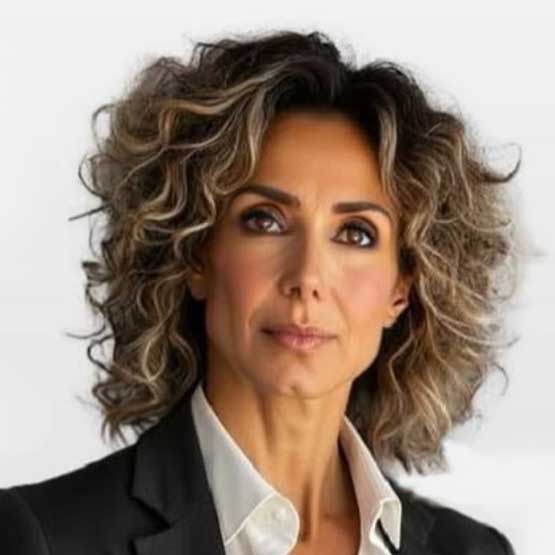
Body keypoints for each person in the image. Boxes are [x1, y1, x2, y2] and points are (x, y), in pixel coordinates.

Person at [0, 29, 521, 554]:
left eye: (356, 233)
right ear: (195, 253)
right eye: (265, 220)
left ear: (402, 288)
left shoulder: (472, 550)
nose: (307, 277)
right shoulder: (43, 537)